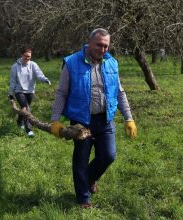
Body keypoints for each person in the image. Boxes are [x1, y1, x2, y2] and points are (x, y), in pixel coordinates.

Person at [50, 28, 137, 208]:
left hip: (105, 119)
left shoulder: (112, 63)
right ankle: (83, 198)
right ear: (89, 42)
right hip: (82, 121)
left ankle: (88, 179)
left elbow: (119, 92)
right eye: (99, 45)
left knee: (108, 155)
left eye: (106, 46)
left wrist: (129, 118)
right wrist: (55, 119)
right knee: (81, 159)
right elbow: (61, 93)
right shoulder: (71, 63)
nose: (103, 49)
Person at [8, 47, 51, 137]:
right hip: (19, 91)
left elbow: (39, 75)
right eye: (26, 56)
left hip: (30, 91)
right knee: (26, 108)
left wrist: (45, 79)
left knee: (24, 109)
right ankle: (29, 130)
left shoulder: (33, 65)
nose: (28, 58)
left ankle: (19, 120)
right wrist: (11, 94)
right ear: (21, 55)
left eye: (29, 56)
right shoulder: (15, 67)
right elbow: (12, 82)